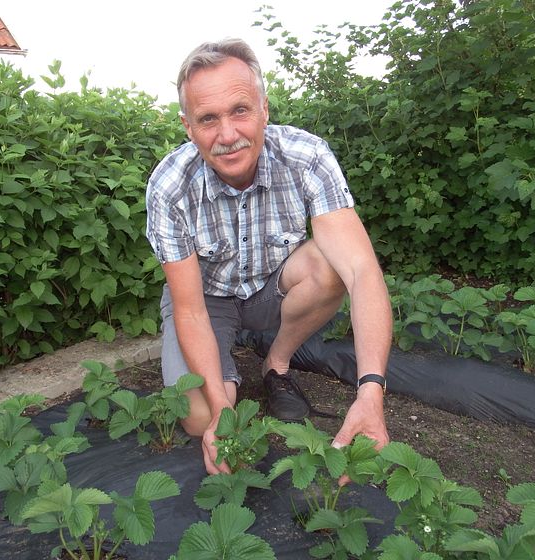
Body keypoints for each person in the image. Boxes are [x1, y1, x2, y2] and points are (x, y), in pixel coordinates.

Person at [145, 38, 392, 476]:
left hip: (271, 289)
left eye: (240, 110)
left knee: (331, 265)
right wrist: (223, 411)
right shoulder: (170, 185)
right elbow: (190, 309)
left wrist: (370, 390)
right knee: (200, 418)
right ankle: (225, 385)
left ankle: (275, 365)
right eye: (207, 119)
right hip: (208, 303)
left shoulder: (306, 156)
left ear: (264, 109)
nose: (227, 135)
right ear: (187, 126)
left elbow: (361, 272)